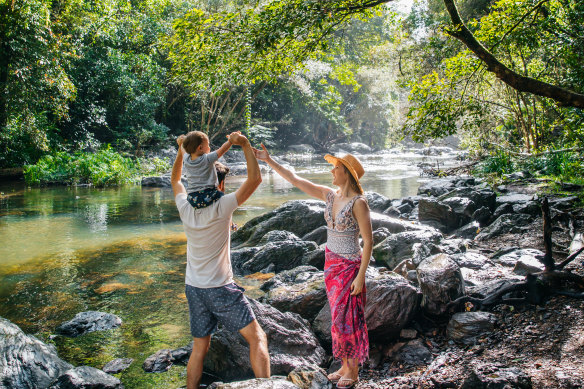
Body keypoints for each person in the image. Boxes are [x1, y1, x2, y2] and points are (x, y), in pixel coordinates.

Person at [253, 145, 372, 389]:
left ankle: (355, 370)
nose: (332, 171)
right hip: (331, 264)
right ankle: (345, 365)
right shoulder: (330, 195)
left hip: (350, 266)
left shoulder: (359, 203)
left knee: (349, 316)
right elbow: (296, 179)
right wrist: (269, 160)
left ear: (347, 173)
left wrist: (361, 277)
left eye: (336, 168)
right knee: (337, 317)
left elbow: (369, 242)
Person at [172, 132, 270, 389]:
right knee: (257, 339)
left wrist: (181, 150)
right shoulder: (223, 206)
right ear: (216, 183)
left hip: (193, 288)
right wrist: (245, 145)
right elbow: (255, 179)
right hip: (220, 288)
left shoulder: (185, 208)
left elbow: (176, 181)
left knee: (199, 348)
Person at [178, 130, 232, 209]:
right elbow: (223, 149)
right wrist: (230, 141)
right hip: (209, 195)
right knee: (222, 196)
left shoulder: (186, 158)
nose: (209, 147)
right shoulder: (207, 158)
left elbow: (182, 148)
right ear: (200, 148)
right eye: (208, 145)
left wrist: (182, 142)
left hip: (192, 198)